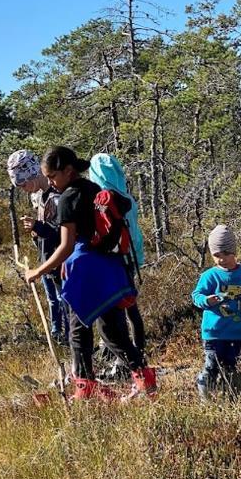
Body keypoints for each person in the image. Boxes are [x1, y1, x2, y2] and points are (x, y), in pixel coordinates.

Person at [24, 146, 157, 400]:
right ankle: (145, 382)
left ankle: (85, 390)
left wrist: (38, 271)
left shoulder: (67, 199)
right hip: (109, 268)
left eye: (52, 176)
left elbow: (66, 246)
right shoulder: (92, 188)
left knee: (78, 329)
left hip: (86, 272)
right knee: (113, 331)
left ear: (68, 171)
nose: (50, 183)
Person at [89, 152, 146, 369]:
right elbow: (136, 235)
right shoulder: (128, 199)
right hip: (129, 260)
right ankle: (138, 349)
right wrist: (137, 259)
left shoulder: (101, 201)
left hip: (113, 263)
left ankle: (125, 357)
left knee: (116, 311)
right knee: (131, 308)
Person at [7, 149, 66, 344]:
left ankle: (69, 337)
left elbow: (63, 234)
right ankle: (57, 332)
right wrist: (36, 231)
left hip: (59, 262)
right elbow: (47, 231)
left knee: (64, 299)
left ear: (32, 174)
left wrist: (38, 226)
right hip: (46, 259)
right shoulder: (40, 197)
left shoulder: (57, 196)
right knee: (52, 299)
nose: (23, 188)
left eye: (23, 183)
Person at [192, 224, 241, 399]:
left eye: (226, 254)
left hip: (236, 333)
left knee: (231, 365)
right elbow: (196, 295)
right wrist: (206, 300)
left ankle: (231, 396)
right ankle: (205, 396)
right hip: (214, 333)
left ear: (234, 251)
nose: (221, 259)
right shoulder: (210, 276)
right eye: (216, 255)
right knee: (212, 365)